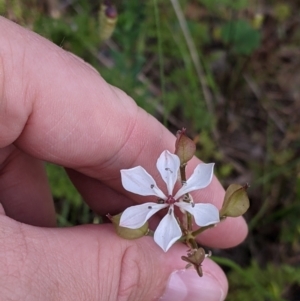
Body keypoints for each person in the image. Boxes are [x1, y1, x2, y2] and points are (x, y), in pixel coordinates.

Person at [0, 17, 247, 301]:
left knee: (195, 203)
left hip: (175, 214)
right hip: (166, 213)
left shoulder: (199, 210)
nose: (171, 199)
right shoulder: (171, 198)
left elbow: (190, 203)